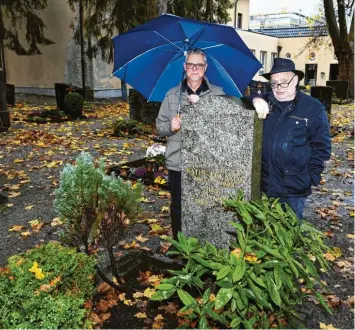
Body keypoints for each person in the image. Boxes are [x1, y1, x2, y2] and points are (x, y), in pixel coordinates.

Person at [156, 48, 224, 239]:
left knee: (205, 205)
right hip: (178, 162)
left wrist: (201, 111)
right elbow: (159, 126)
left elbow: (224, 128)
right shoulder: (172, 95)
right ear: (184, 67)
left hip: (206, 163)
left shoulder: (218, 94)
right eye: (191, 65)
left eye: (199, 65)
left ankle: (203, 244)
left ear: (206, 67)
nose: (195, 69)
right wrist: (170, 126)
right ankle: (179, 245)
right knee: (178, 207)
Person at [251, 58, 331, 220]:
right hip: (264, 185)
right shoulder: (267, 101)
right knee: (263, 234)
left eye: (283, 82)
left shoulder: (313, 108)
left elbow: (322, 148)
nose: (278, 88)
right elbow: (242, 100)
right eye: (274, 83)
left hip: (293, 188)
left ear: (295, 80)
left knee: (289, 235)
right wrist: (255, 99)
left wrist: (310, 177)